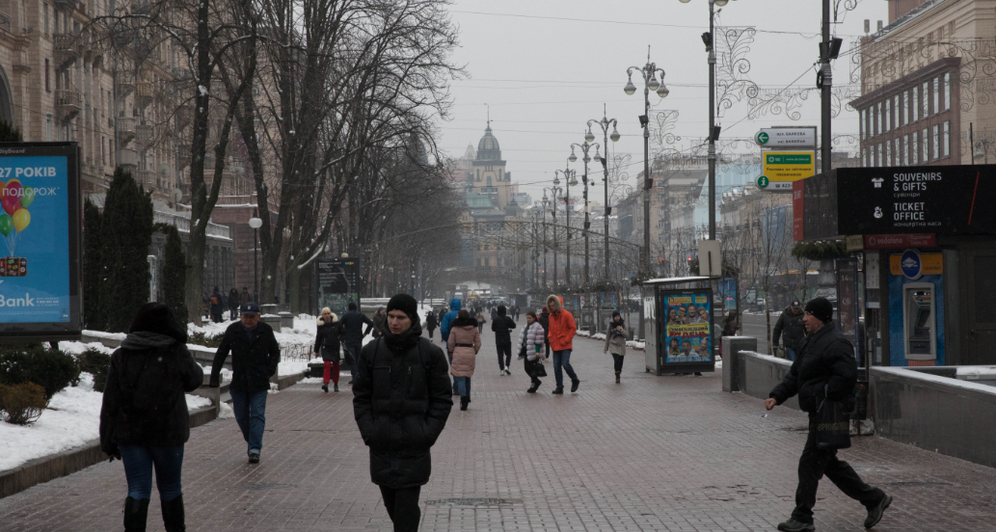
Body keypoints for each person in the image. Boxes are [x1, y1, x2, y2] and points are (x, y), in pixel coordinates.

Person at [765, 297, 892, 532]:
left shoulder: (836, 343)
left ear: (820, 317)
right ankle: (874, 499)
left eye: (808, 315)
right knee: (827, 464)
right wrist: (777, 395)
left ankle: (802, 517)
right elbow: (796, 375)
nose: (804, 319)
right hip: (818, 412)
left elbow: (846, 378)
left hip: (830, 413)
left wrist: (820, 394)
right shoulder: (810, 340)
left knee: (809, 463)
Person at [99, 302, 203, 532]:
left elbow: (111, 402)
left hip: (131, 434)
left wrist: (107, 441)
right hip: (168, 433)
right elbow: (194, 380)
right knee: (171, 488)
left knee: (137, 488)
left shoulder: (122, 355)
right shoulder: (176, 352)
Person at [353, 294, 452, 532]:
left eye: (401, 317)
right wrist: (370, 432)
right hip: (382, 444)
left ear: (412, 319)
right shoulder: (371, 352)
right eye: (391, 316)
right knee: (393, 506)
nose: (394, 322)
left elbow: (442, 399)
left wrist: (426, 433)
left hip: (414, 446)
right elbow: (361, 397)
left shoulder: (430, 354)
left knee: (405, 510)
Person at [209, 302, 281, 464]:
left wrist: (268, 371)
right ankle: (253, 440)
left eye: (252, 317)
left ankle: (254, 449)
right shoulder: (233, 330)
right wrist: (214, 377)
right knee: (241, 416)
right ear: (241, 316)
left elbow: (274, 352)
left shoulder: (265, 330)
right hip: (239, 381)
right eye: (245, 316)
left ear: (258, 317)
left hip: (259, 381)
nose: (248, 320)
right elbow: (221, 353)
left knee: (257, 415)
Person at [448, 309, 481, 410]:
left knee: (460, 376)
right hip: (470, 351)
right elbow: (478, 343)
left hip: (458, 352)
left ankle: (463, 398)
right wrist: (474, 350)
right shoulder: (474, 328)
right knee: (467, 375)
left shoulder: (455, 328)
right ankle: (467, 395)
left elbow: (450, 342)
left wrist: (451, 352)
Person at [546, 295, 579, 394]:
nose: (552, 307)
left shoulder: (567, 315)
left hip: (565, 345)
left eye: (553, 305)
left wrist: (566, 340)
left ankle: (574, 379)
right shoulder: (550, 316)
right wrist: (550, 339)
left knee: (565, 364)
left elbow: (573, 328)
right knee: (556, 367)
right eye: (550, 306)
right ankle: (559, 386)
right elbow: (550, 329)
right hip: (555, 345)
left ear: (558, 304)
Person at [340, 302, 374, 385]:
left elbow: (339, 325)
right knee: (358, 358)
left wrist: (343, 335)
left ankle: (354, 376)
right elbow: (371, 323)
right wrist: (365, 333)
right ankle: (359, 376)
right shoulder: (360, 315)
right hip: (358, 339)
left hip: (349, 340)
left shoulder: (346, 315)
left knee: (352, 359)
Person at [314, 307, 342, 393]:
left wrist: (340, 339)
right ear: (322, 315)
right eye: (325, 314)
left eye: (328, 313)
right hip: (326, 347)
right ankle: (326, 383)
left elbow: (343, 333)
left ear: (330, 314)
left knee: (336, 365)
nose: (327, 315)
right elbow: (318, 338)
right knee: (327, 364)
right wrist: (316, 350)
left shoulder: (336, 323)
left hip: (335, 346)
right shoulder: (321, 325)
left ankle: (336, 383)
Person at [517, 311, 547, 393]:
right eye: (527, 318)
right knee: (527, 368)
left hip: (533, 351)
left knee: (531, 368)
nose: (528, 319)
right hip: (526, 350)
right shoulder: (526, 326)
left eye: (530, 318)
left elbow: (539, 341)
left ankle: (534, 383)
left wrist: (537, 351)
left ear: (534, 318)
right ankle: (535, 382)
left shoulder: (538, 327)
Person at [491, 305, 517, 376]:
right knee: (508, 354)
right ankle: (507, 366)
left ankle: (501, 369)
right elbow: (514, 326)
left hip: (499, 339)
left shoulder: (495, 319)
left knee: (500, 354)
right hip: (507, 339)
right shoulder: (508, 318)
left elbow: (493, 329)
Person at [603, 310, 627, 384]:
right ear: (613, 317)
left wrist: (621, 330)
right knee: (616, 360)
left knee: (621, 361)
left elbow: (626, 335)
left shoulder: (623, 325)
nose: (617, 318)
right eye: (616, 316)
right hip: (613, 345)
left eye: (618, 316)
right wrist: (606, 348)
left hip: (622, 345)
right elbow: (607, 337)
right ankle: (617, 375)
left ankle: (619, 372)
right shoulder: (610, 326)